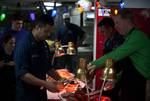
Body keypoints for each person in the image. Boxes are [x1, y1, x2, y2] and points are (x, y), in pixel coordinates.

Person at [87, 9, 150, 101]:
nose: (115, 27)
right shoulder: (129, 37)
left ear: (127, 21)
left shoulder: (138, 36)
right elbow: (128, 65)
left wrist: (92, 65)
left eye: (117, 22)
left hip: (142, 84)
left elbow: (116, 54)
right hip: (131, 82)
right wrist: (116, 79)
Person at [14, 14, 63, 101]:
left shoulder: (43, 44)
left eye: (50, 32)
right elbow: (23, 74)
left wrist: (61, 79)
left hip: (41, 93)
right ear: (37, 27)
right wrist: (46, 84)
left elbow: (47, 67)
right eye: (46, 31)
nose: (48, 35)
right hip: (27, 95)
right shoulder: (24, 44)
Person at [97, 17, 125, 101]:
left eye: (103, 31)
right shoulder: (108, 40)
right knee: (105, 96)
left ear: (110, 29)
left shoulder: (119, 40)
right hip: (108, 74)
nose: (102, 34)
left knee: (112, 97)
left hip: (116, 76)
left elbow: (119, 60)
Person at [0, 34, 16, 101]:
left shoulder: (16, 54)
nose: (13, 45)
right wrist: (5, 63)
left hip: (14, 85)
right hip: (2, 85)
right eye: (10, 43)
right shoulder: (1, 53)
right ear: (4, 44)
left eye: (14, 43)